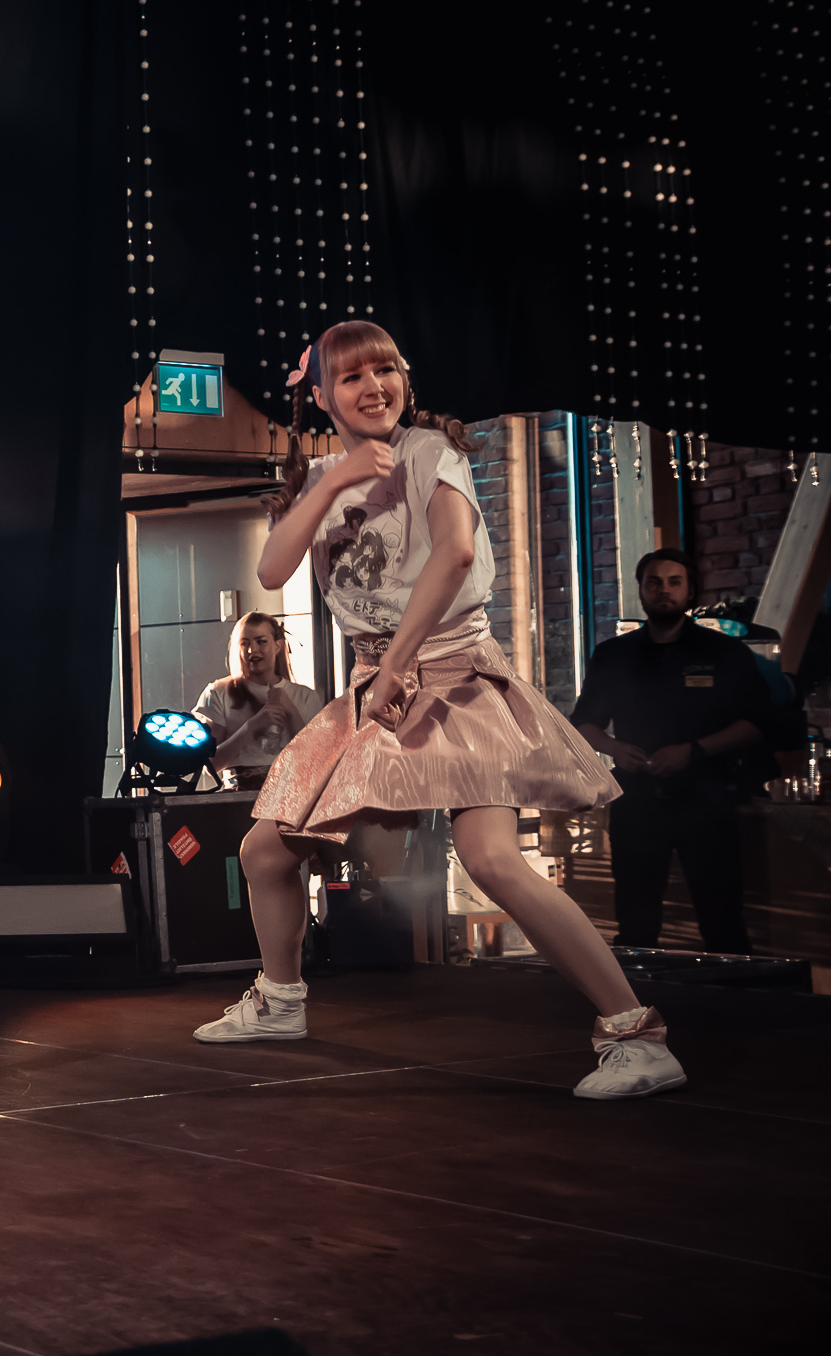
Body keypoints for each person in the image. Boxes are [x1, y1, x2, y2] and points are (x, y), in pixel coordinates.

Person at [191, 320, 686, 1101]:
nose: (374, 386)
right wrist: (331, 483)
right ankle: (279, 1001)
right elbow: (274, 565)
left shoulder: (428, 451)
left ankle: (636, 1034)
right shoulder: (325, 478)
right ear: (321, 397)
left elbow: (455, 554)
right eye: (352, 377)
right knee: (264, 852)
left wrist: (397, 666)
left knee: (490, 859)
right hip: (375, 686)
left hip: (453, 674)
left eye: (385, 369)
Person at [571, 548, 771, 954]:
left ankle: (735, 994)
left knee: (723, 922)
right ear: (640, 590)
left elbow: (757, 724)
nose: (664, 590)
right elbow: (583, 724)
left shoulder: (724, 652)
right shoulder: (614, 655)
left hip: (708, 798)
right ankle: (636, 995)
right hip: (636, 801)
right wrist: (614, 748)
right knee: (635, 923)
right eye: (654, 582)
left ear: (690, 590)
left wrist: (693, 751)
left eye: (674, 582)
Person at [191, 611, 328, 790]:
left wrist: (290, 710)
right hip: (238, 795)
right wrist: (252, 726)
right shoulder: (218, 693)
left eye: (261, 641)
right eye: (244, 643)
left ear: (277, 646)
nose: (252, 650)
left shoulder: (306, 696)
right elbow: (209, 765)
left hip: (292, 793)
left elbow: (317, 760)